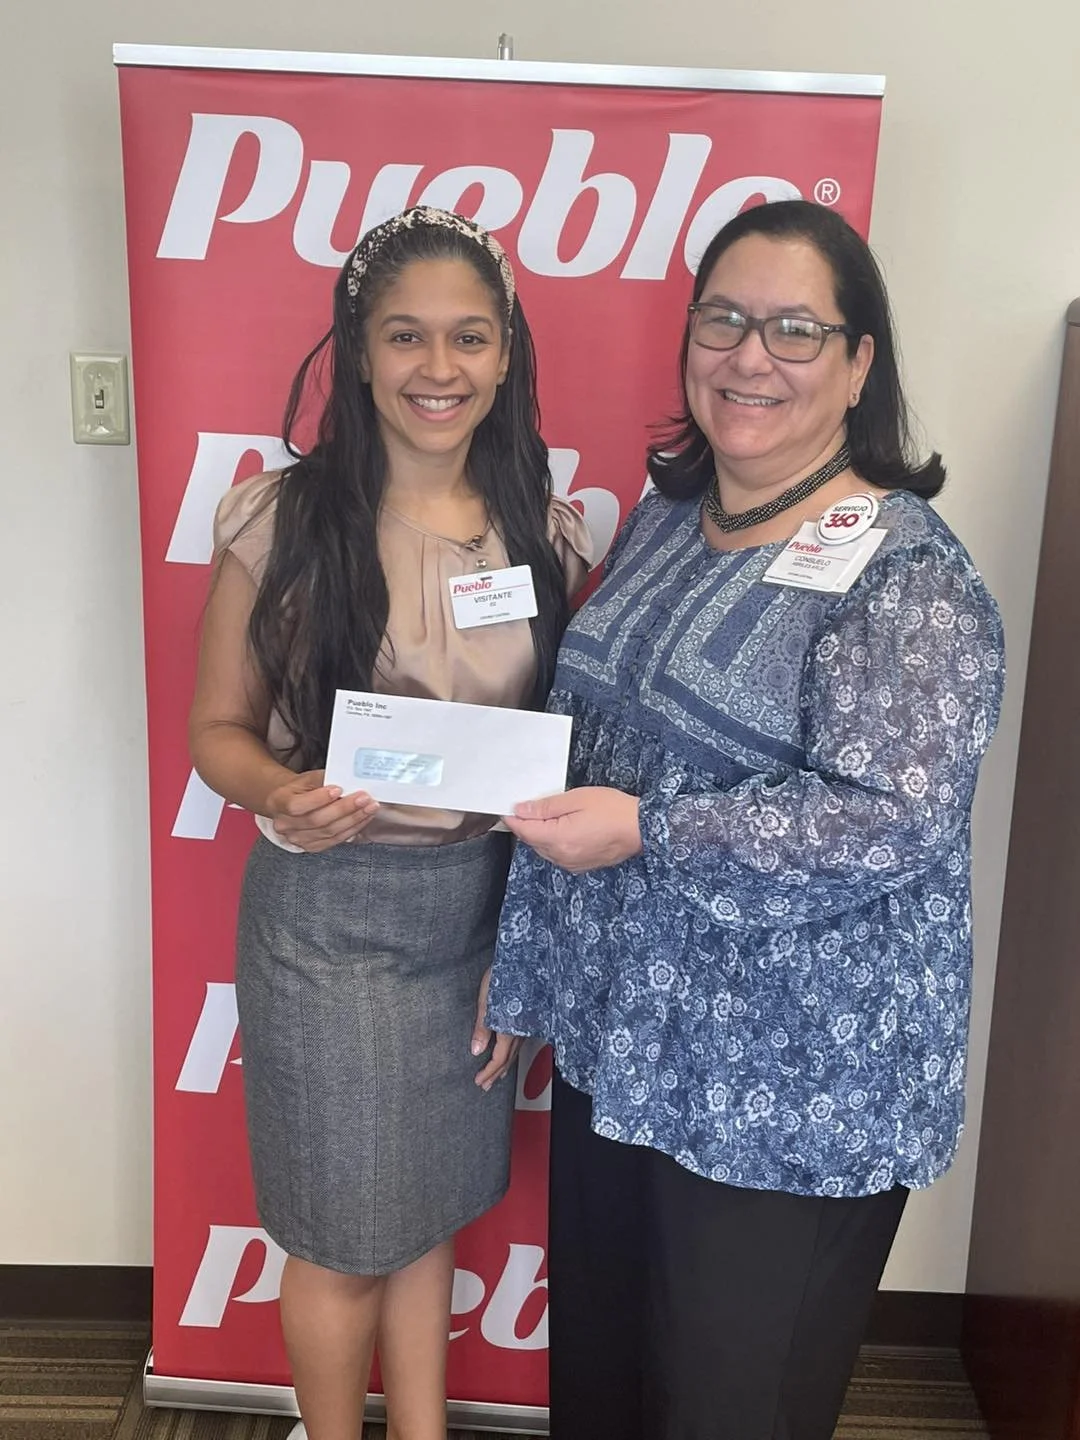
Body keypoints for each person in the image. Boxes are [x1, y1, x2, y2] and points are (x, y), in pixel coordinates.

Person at [487, 198, 1004, 1440]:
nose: (749, 356)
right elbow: (596, 744)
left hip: (792, 1090)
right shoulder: (673, 517)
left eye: (793, 328)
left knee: (732, 1408)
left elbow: (889, 820)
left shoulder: (909, 576)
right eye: (723, 319)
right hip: (632, 1052)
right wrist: (524, 972)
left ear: (859, 360)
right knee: (606, 1391)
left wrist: (653, 832)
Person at [188, 206, 591, 1440]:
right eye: (405, 336)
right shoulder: (283, 518)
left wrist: (524, 948)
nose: (438, 368)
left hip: (474, 918)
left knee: (426, 1213)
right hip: (329, 919)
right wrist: (279, 794)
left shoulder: (544, 527)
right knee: (342, 1235)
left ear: (507, 353)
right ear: (358, 352)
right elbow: (217, 734)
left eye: (469, 337)